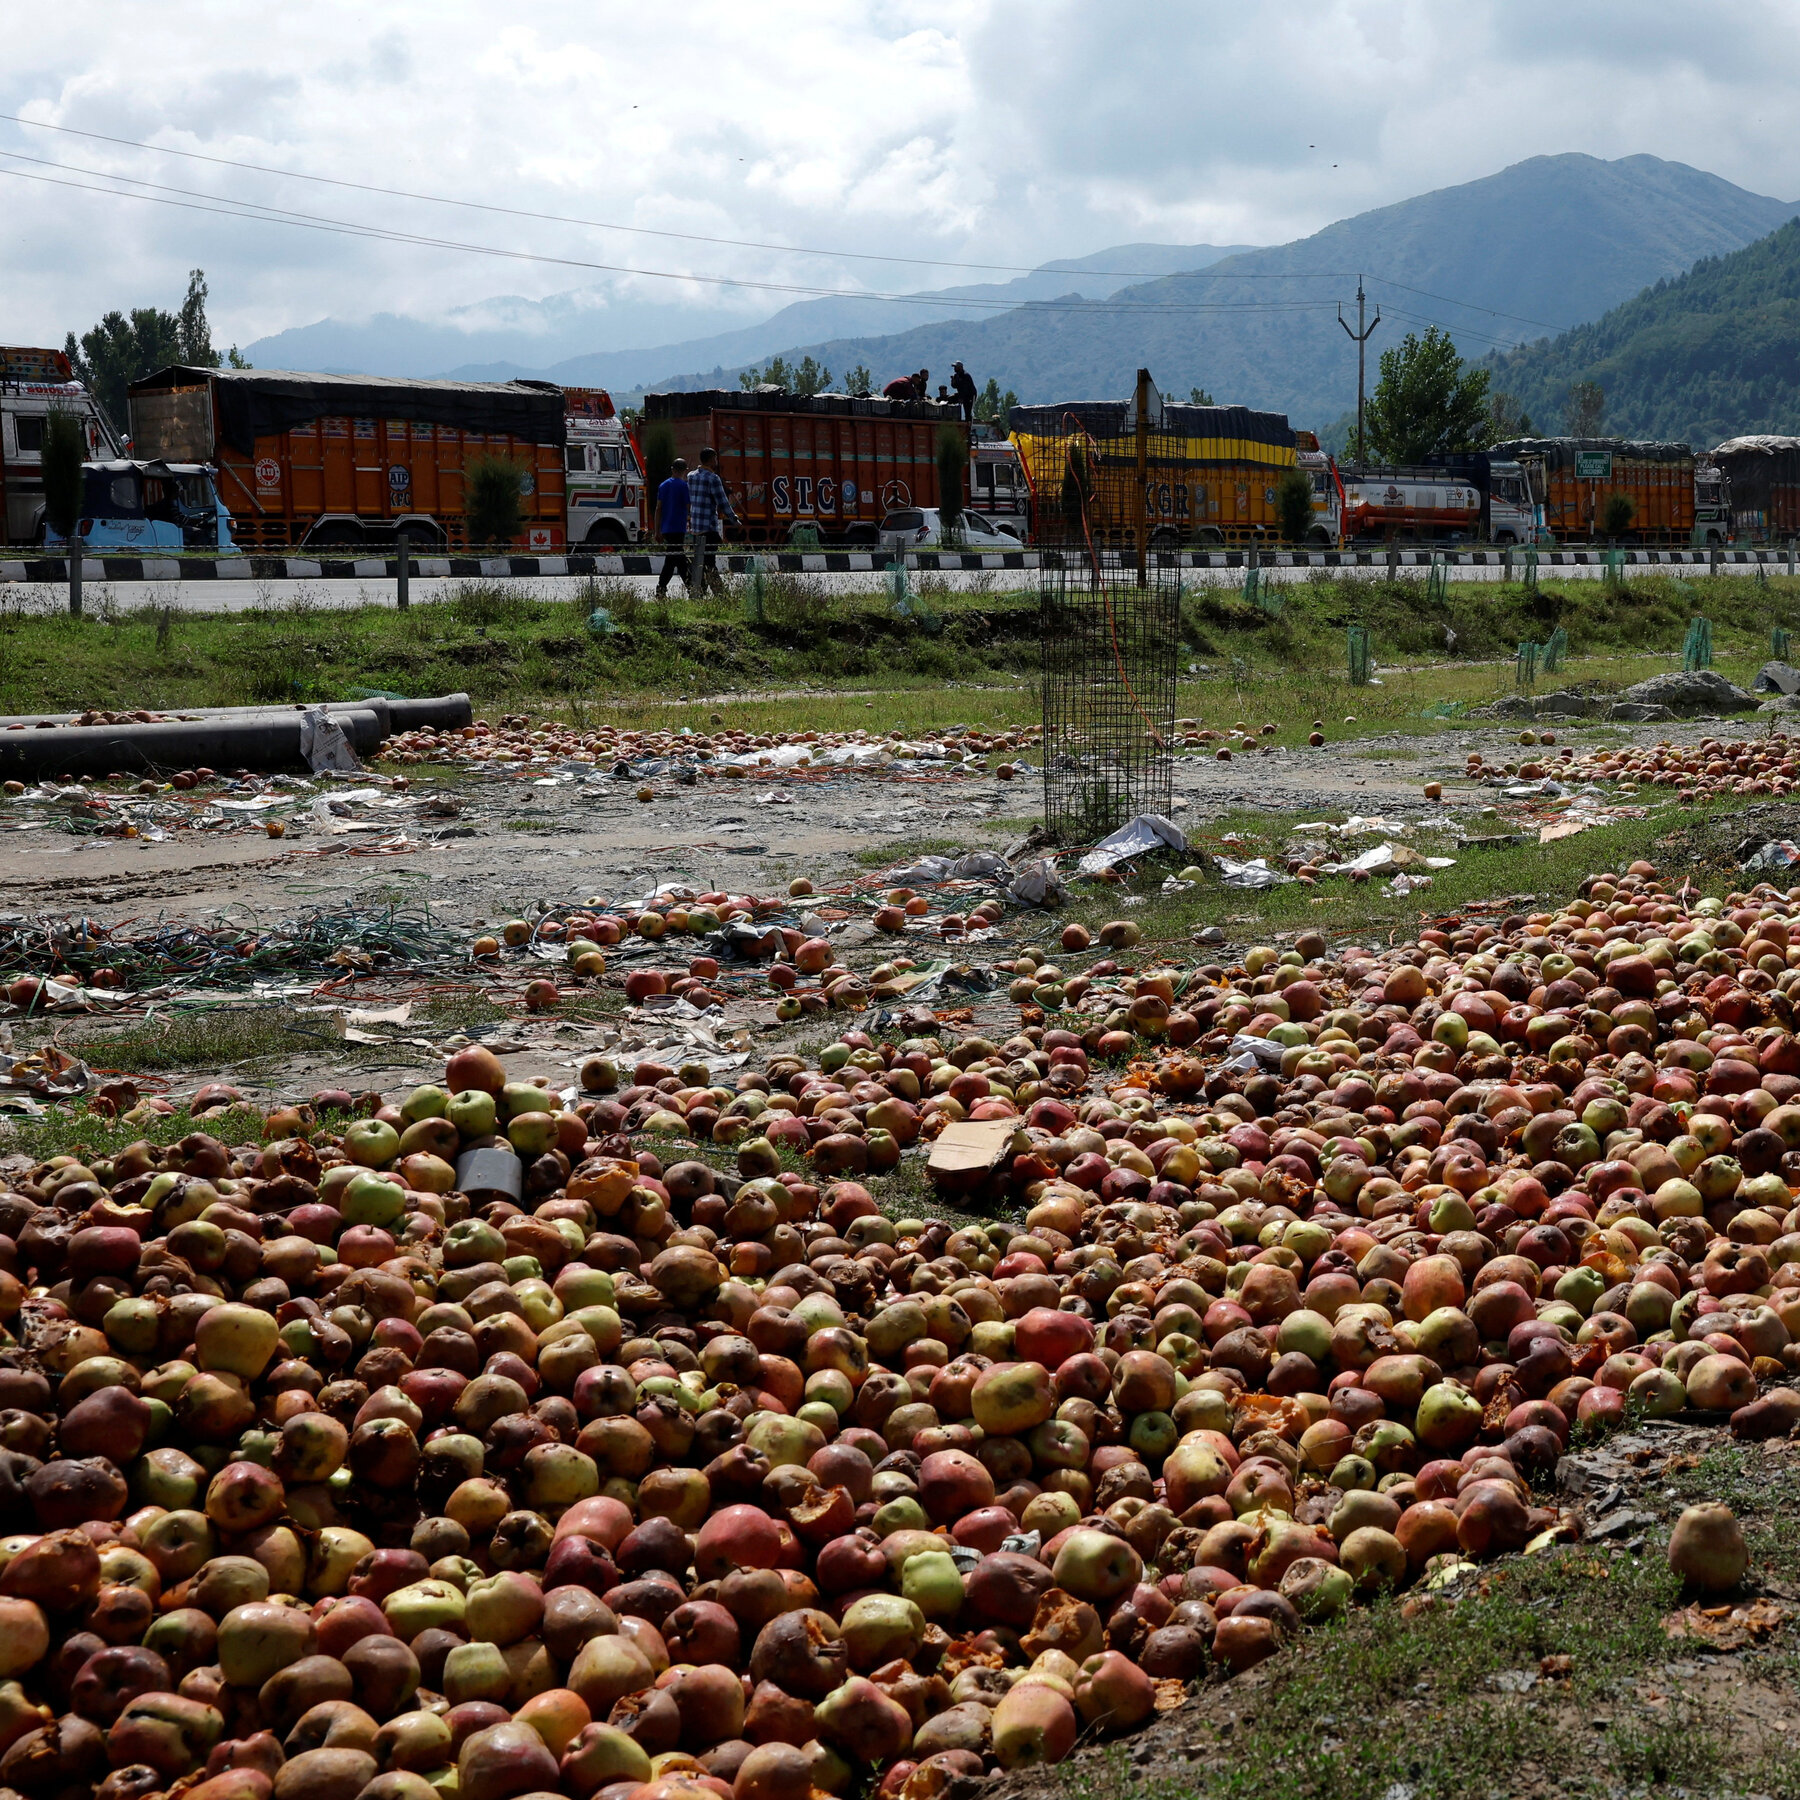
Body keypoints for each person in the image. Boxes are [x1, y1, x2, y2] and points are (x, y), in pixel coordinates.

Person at [685, 446, 739, 596]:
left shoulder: (691, 476)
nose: (716, 461)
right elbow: (722, 502)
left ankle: (698, 592)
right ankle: (721, 594)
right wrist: (733, 518)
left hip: (695, 527)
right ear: (710, 460)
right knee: (710, 563)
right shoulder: (713, 478)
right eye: (714, 458)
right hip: (708, 526)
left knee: (699, 562)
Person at [653, 457, 690, 597]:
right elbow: (688, 506)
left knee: (675, 557)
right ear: (684, 471)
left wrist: (657, 531)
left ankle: (664, 588)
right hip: (679, 527)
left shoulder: (663, 485)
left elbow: (658, 509)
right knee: (676, 558)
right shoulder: (684, 486)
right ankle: (691, 587)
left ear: (672, 469)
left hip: (666, 528)